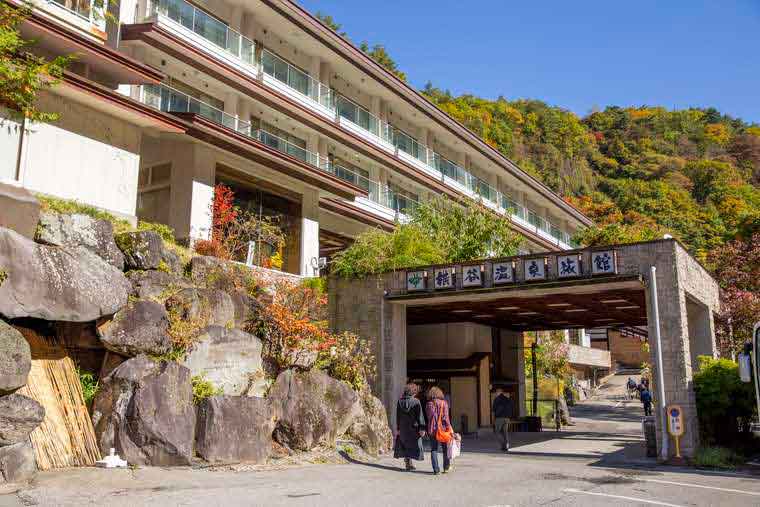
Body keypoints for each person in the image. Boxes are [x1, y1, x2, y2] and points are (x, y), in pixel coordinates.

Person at [394, 384, 425, 471]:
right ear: (413, 392)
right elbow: (420, 416)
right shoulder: (416, 401)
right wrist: (422, 428)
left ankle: (408, 463)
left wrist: (398, 428)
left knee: (405, 444)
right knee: (414, 444)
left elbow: (398, 416)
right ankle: (409, 463)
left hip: (403, 427)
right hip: (413, 427)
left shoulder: (400, 401)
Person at [425, 386, 452, 475]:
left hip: (432, 430)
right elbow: (446, 418)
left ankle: (436, 470)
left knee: (434, 449)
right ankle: (446, 467)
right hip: (443, 429)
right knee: (445, 449)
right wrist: (449, 428)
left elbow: (429, 417)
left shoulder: (429, 404)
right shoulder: (444, 403)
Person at [492, 388, 515, 452]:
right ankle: (507, 445)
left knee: (497, 432)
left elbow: (494, 410)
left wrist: (493, 419)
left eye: (496, 392)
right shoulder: (507, 399)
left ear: (499, 392)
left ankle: (503, 445)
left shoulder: (496, 399)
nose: (496, 393)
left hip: (499, 418)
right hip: (507, 418)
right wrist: (509, 417)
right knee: (505, 433)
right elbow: (511, 408)